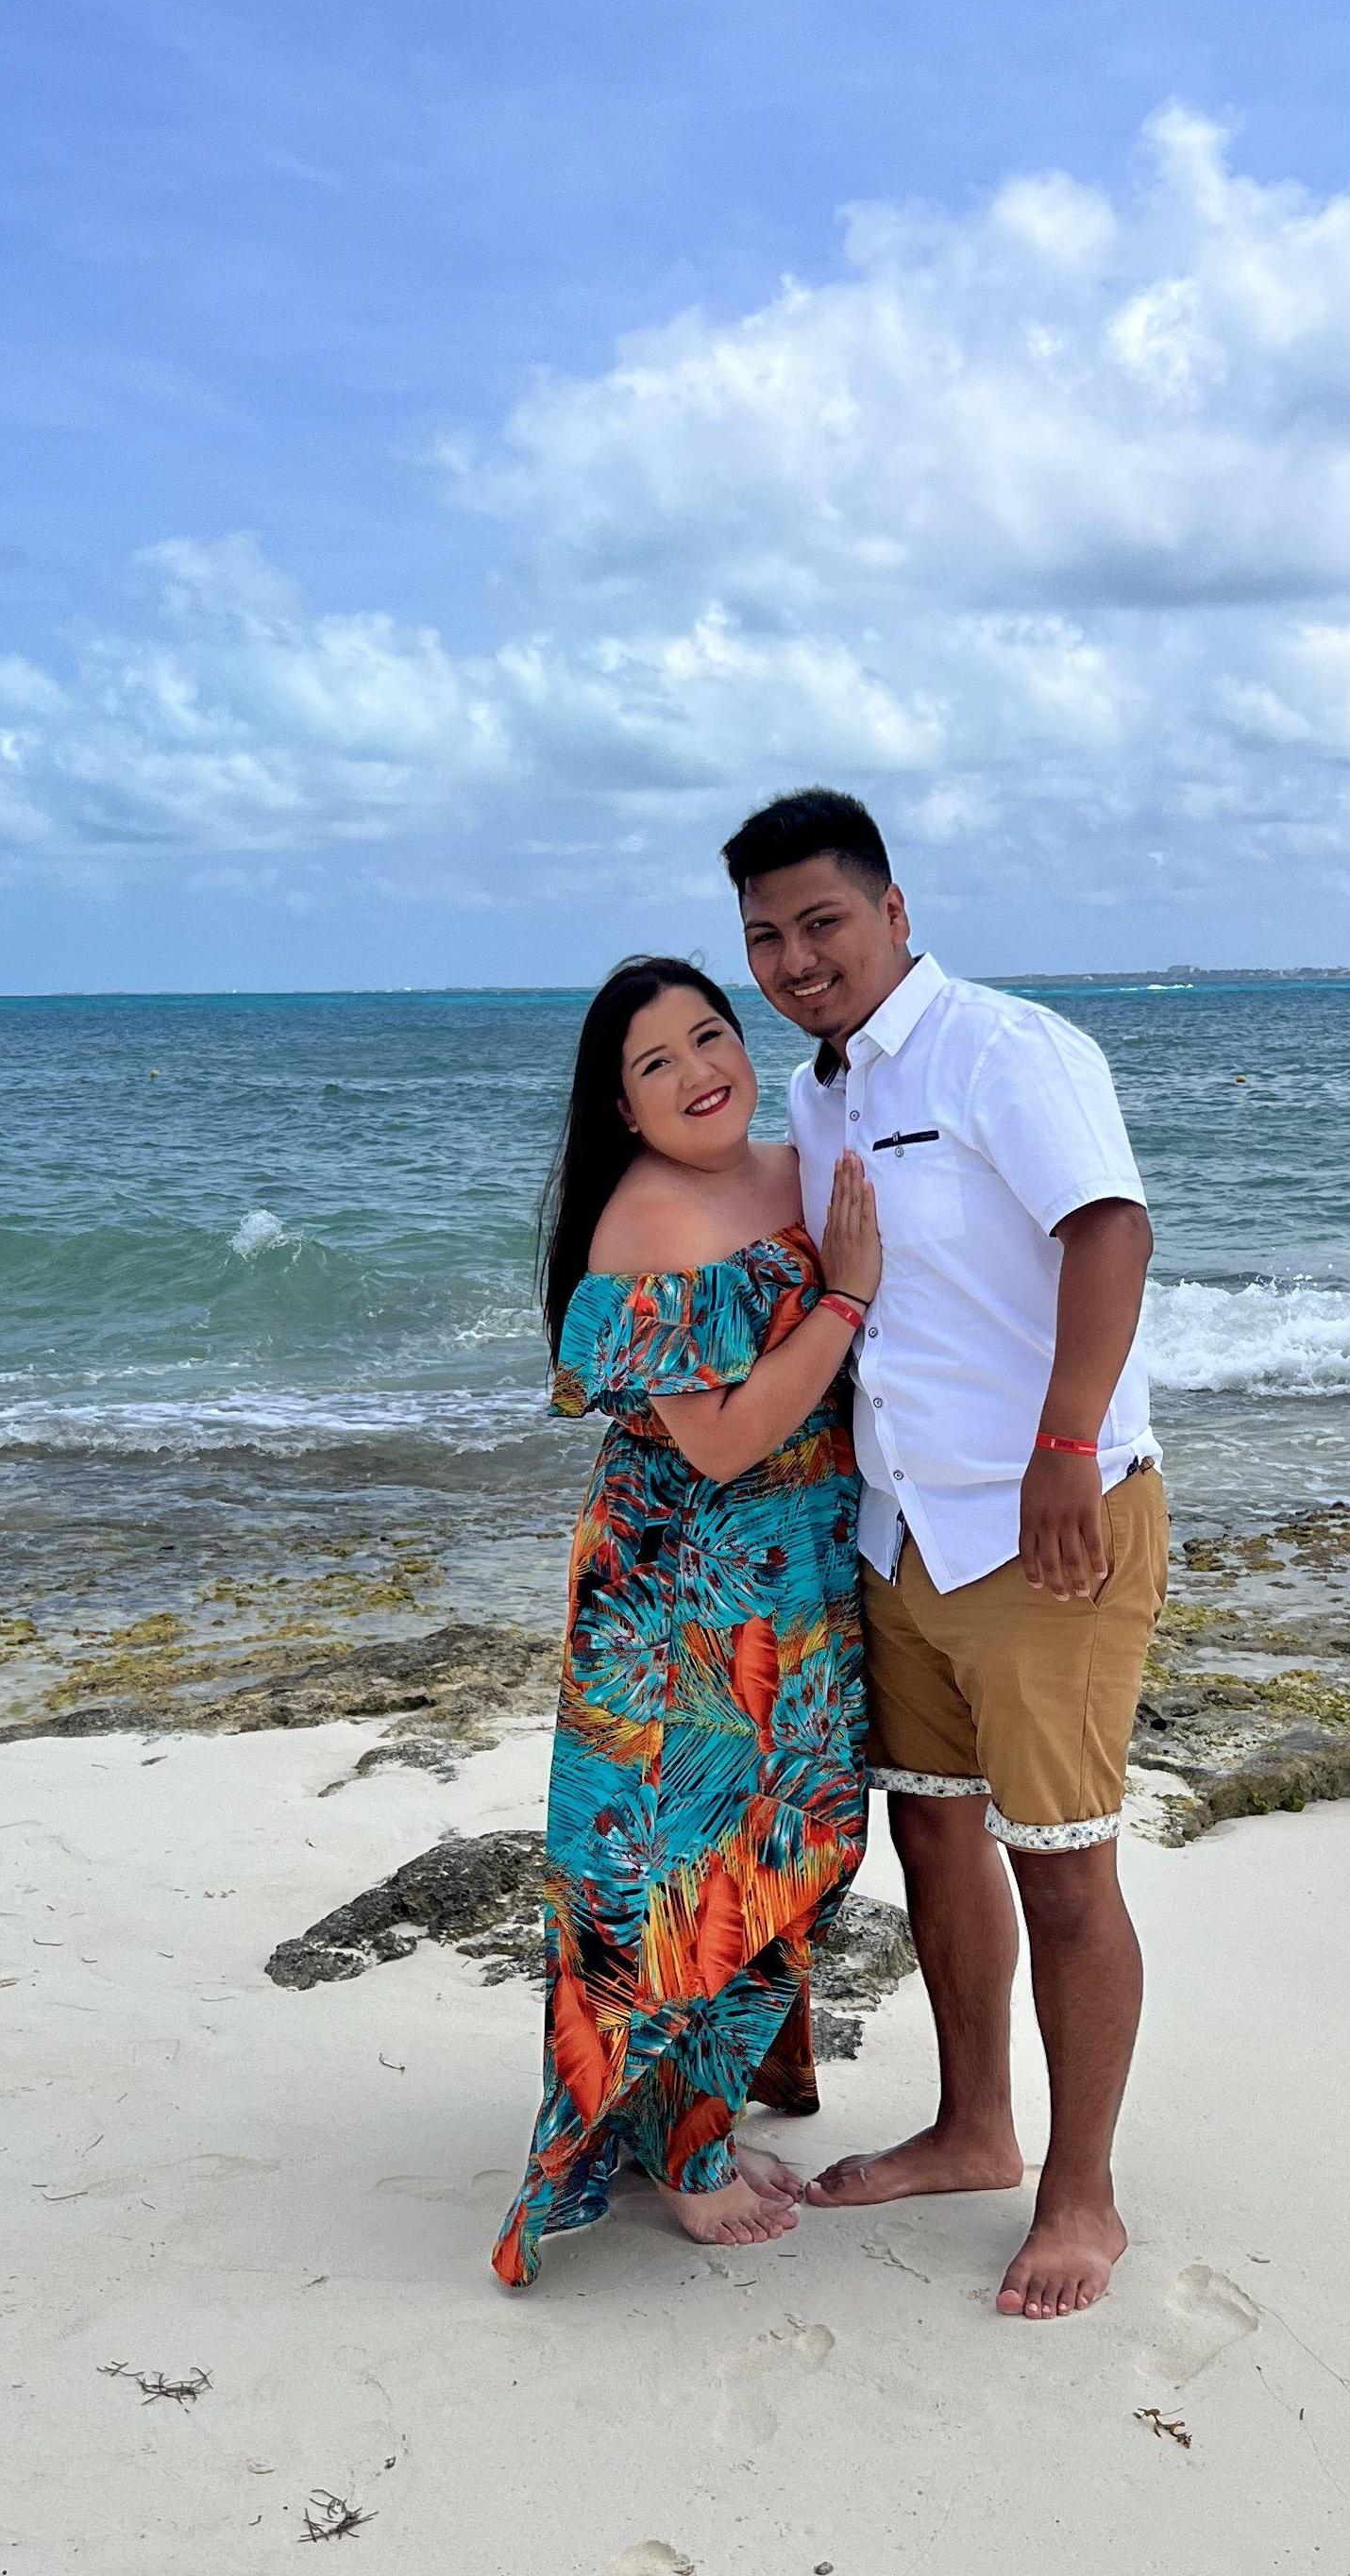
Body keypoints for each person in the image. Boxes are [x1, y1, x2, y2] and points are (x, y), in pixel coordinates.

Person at [724, 789, 1166, 2321]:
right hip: (898, 1526)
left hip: (1045, 1520)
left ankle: (1083, 2195)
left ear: (895, 911)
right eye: (766, 937)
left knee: (1066, 1865)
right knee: (934, 1836)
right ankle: (975, 2127)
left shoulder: (1006, 1049)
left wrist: (1066, 1446)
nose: (797, 959)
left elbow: (1110, 1231)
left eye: (823, 923)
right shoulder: (818, 1093)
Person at [491, 954, 884, 2286]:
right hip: (676, 1594)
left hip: (797, 1574)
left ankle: (688, 2114)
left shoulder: (797, 1167)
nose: (698, 1072)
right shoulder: (647, 1220)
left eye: (710, 1036)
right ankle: (685, 2153)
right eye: (655, 1064)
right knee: (680, 1869)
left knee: (787, 1843)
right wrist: (845, 1296)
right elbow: (716, 1442)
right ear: (625, 1108)